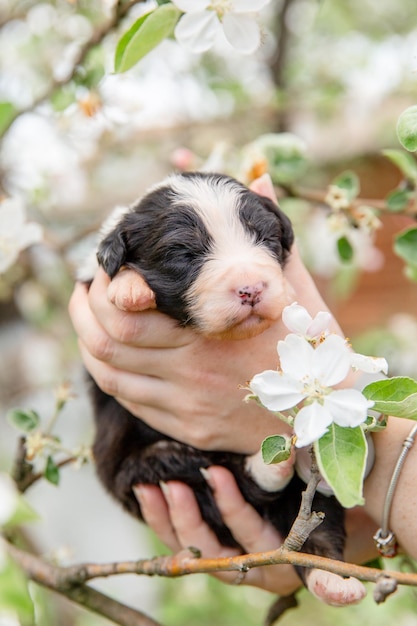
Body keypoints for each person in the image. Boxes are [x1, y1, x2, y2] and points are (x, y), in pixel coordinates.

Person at [69, 174, 417, 597]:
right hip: (160, 455)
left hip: (298, 470)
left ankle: (319, 554)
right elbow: (95, 282)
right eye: (185, 256)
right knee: (141, 472)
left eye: (266, 244)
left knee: (304, 474)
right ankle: (306, 542)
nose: (248, 284)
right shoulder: (123, 244)